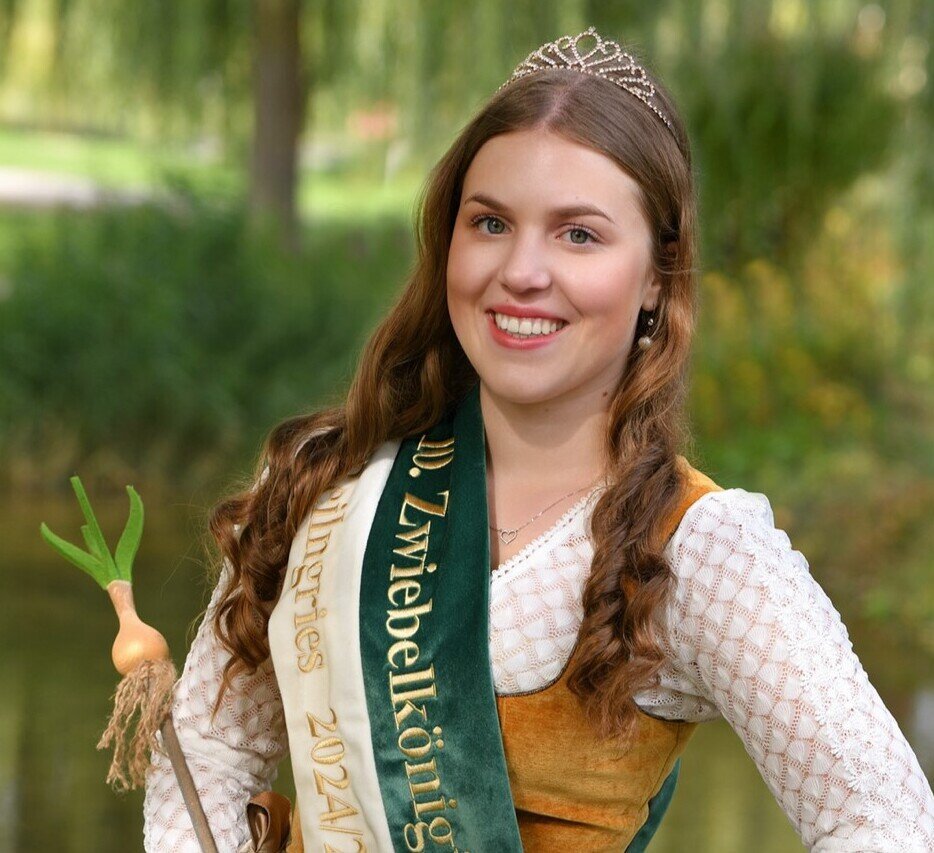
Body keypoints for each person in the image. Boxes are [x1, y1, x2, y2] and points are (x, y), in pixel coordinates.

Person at [143, 26, 934, 853]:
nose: (521, 271)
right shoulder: (329, 480)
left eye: (578, 234)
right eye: (490, 223)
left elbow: (884, 820)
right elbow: (209, 755)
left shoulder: (698, 552)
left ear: (656, 276)